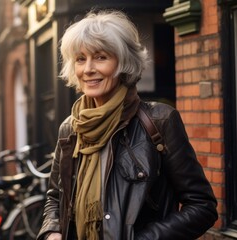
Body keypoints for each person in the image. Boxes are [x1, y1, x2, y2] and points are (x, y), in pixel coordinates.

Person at [37, 10, 218, 240]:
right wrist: (52, 230)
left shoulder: (160, 120)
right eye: (81, 59)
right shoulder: (70, 128)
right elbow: (56, 197)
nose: (88, 68)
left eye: (101, 57)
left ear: (123, 63)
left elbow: (202, 206)